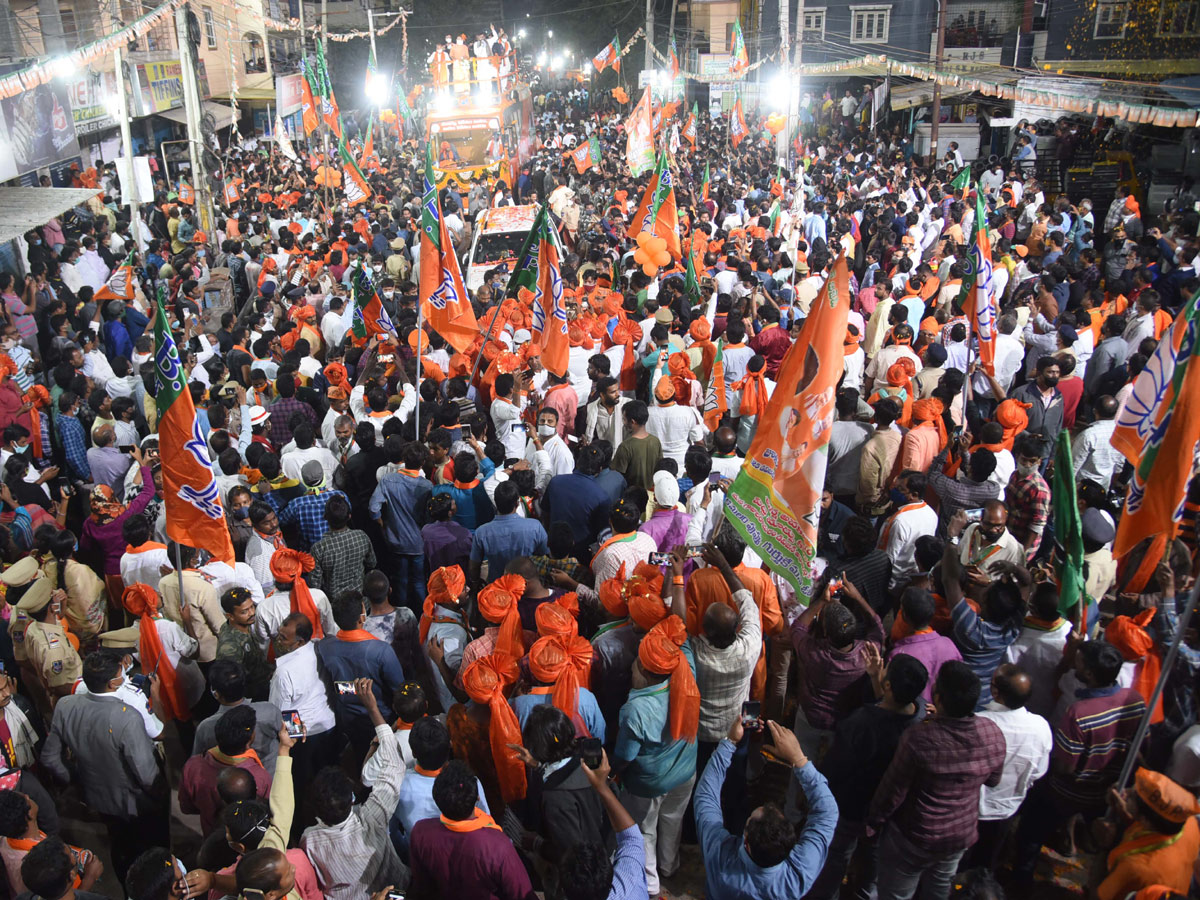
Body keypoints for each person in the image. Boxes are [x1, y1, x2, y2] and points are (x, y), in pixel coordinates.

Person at [867, 661, 1007, 900]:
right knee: (940, 890)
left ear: (938, 698)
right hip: (959, 835)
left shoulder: (920, 738)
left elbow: (893, 792)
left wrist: (873, 822)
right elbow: (993, 780)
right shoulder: (992, 732)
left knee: (896, 893)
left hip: (915, 836)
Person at [808, 652, 928, 900]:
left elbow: (834, 768)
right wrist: (876, 679)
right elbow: (890, 710)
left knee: (837, 855)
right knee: (872, 855)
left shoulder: (860, 725)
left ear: (888, 685)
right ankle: (864, 892)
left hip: (851, 806)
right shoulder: (921, 717)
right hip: (888, 809)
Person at [40, 652, 166, 882]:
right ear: (112, 683)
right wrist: (159, 795)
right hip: (136, 803)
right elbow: (146, 774)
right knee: (153, 849)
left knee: (120, 846)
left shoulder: (65, 705)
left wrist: (76, 781)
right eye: (122, 675)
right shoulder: (126, 717)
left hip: (98, 798)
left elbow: (50, 758)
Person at [696, 717, 838, 900]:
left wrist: (729, 742)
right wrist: (798, 759)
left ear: (746, 842)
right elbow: (828, 811)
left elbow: (705, 797)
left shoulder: (720, 857)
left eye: (748, 821)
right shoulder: (798, 875)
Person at [301, 678, 409, 899]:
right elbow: (393, 767)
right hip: (396, 888)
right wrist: (372, 709)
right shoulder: (371, 819)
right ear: (352, 798)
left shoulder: (309, 840)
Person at [407, 760, 535, 900]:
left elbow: (421, 884)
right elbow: (522, 894)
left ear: (437, 800)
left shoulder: (421, 832)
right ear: (477, 798)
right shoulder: (498, 846)